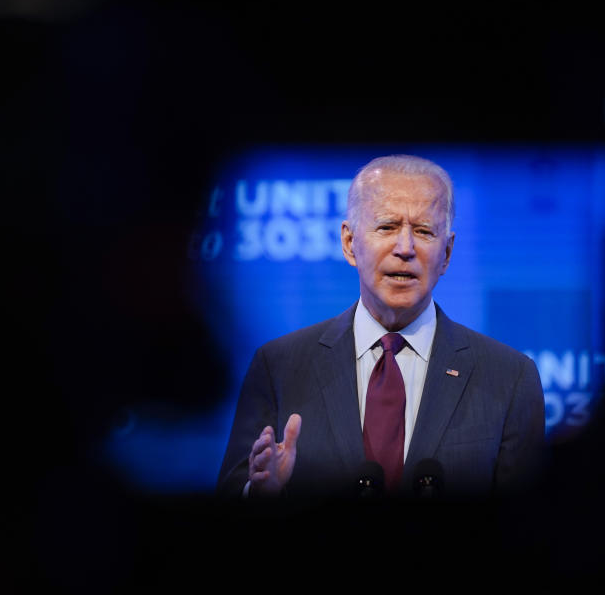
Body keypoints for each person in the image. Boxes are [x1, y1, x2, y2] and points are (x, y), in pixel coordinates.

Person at [216, 155, 545, 498]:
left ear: (446, 253)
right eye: (387, 227)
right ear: (349, 243)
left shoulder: (509, 378)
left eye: (423, 231)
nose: (405, 249)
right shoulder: (279, 366)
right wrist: (260, 495)